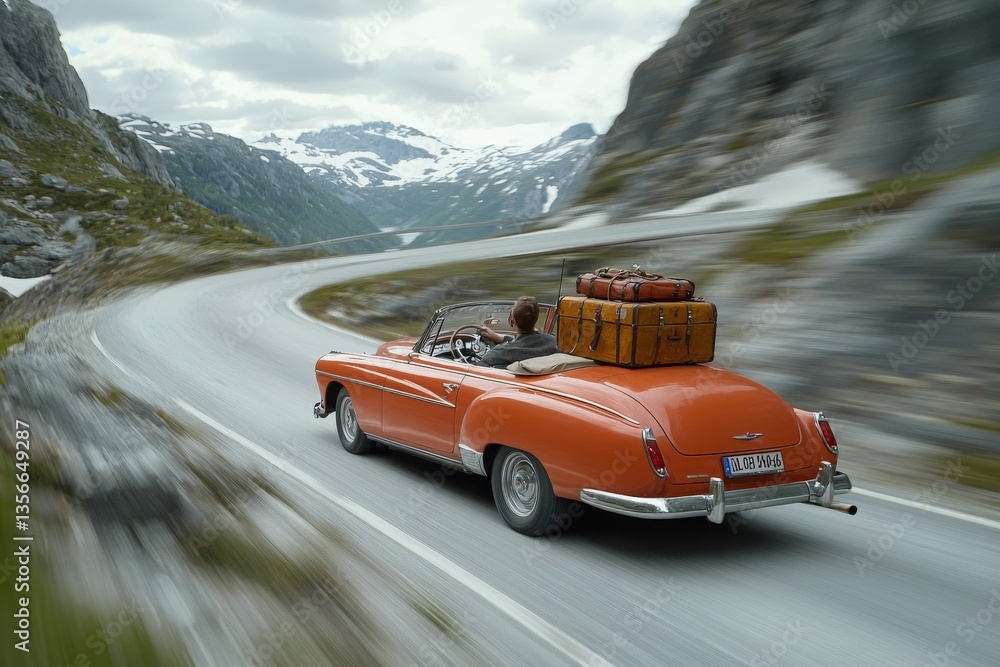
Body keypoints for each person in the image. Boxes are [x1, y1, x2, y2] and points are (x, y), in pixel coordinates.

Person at [476, 296, 558, 367]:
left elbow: (477, 369)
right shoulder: (554, 342)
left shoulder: (502, 352)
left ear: (511, 320)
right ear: (536, 319)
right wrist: (496, 337)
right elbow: (525, 341)